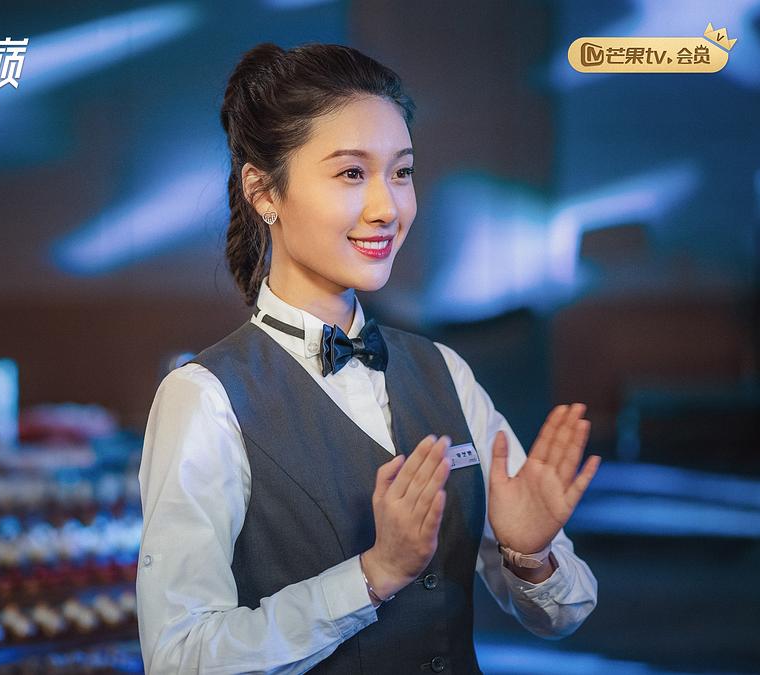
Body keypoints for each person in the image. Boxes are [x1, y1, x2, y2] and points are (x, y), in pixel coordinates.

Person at [136, 43, 601, 674]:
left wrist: (530, 557)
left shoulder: (445, 371)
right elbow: (179, 658)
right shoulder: (205, 397)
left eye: (402, 173)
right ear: (263, 191)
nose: (388, 208)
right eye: (352, 173)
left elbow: (564, 615)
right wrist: (373, 575)